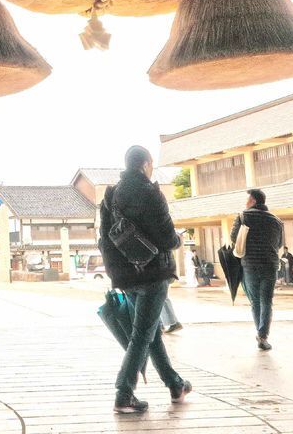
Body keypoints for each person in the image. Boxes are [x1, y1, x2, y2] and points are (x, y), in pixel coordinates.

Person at [100, 145, 191, 414]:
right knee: (142, 334)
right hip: (153, 272)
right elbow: (166, 237)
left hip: (126, 275)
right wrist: (178, 240)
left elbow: (106, 238)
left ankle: (176, 385)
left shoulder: (112, 195)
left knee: (149, 333)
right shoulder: (151, 192)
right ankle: (124, 392)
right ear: (146, 164)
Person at [231, 188, 284, 351]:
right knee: (267, 301)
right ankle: (263, 335)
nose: (246, 202)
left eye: (247, 199)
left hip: (250, 264)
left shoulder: (243, 216)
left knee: (255, 301)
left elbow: (234, 238)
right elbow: (279, 243)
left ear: (253, 201)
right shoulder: (276, 220)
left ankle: (260, 334)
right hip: (270, 264)